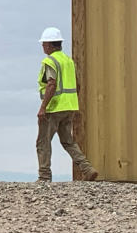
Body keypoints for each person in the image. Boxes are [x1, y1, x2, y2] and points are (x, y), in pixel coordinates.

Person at [36, 27, 98, 182]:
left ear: (49, 45)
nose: (43, 46)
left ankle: (44, 176)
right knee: (68, 141)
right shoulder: (68, 61)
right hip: (69, 107)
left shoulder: (50, 61)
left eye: (44, 44)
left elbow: (51, 84)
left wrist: (43, 108)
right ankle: (87, 169)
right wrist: (71, 102)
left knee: (43, 142)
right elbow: (77, 85)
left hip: (53, 108)